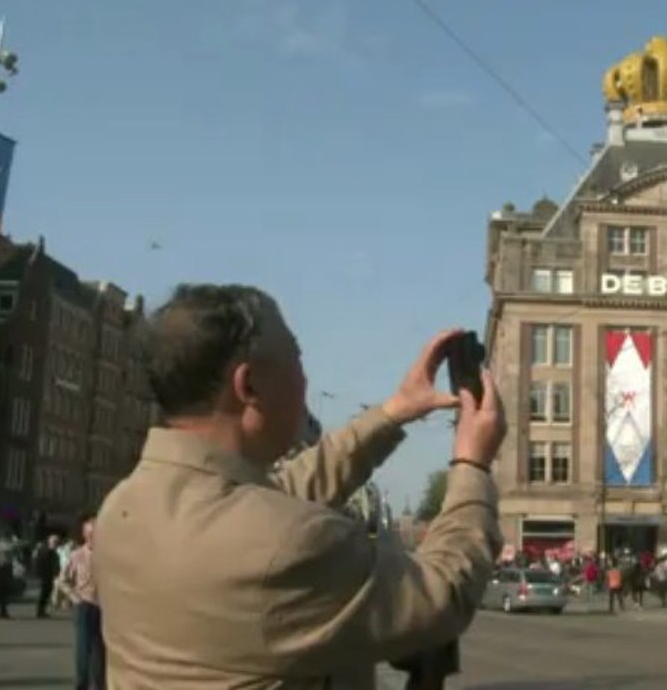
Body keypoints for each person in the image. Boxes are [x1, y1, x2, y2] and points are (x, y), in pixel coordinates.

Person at [94, 284, 505, 688]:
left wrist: (396, 411)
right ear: (248, 385)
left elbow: (278, 493)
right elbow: (443, 593)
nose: (305, 381)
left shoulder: (122, 509)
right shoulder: (289, 542)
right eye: (297, 359)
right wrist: (472, 464)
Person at [57, 514, 103, 690]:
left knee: (100, 655)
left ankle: (99, 685)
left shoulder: (107, 555)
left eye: (96, 534)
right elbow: (61, 580)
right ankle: (81, 684)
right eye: (90, 534)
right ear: (84, 535)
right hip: (84, 606)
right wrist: (74, 597)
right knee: (83, 652)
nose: (93, 538)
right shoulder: (76, 555)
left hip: (103, 608)